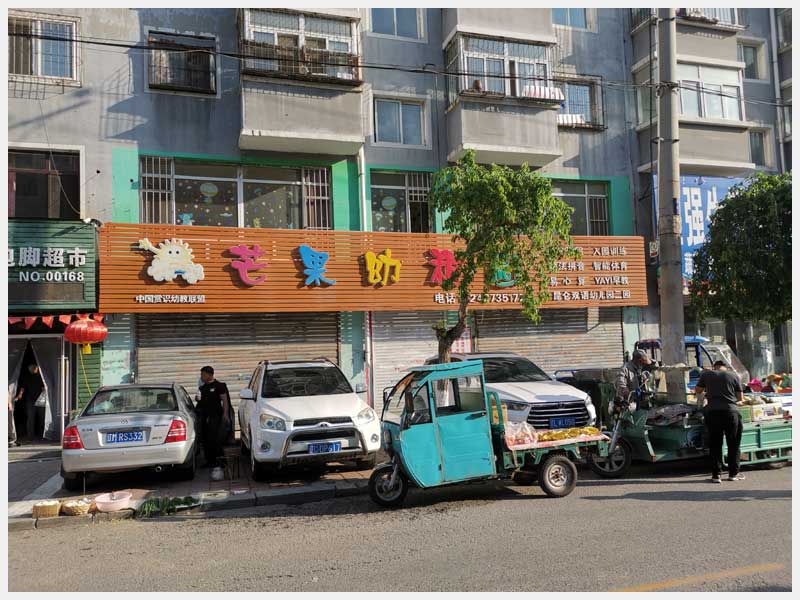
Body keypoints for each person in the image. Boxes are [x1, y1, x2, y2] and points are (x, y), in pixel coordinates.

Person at [695, 360, 745, 483]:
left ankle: (716, 475)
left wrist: (709, 393)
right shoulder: (734, 375)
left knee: (715, 444)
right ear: (725, 367)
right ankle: (733, 474)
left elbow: (698, 390)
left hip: (713, 413)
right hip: (730, 412)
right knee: (733, 444)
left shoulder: (706, 374)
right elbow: (740, 398)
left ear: (714, 367)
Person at [196, 366, 231, 469]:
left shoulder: (219, 386)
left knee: (215, 439)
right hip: (204, 416)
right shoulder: (202, 388)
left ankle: (221, 461)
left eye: (203, 374)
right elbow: (200, 401)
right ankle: (209, 461)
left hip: (216, 416)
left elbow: (225, 401)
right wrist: (197, 399)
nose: (201, 376)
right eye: (201, 374)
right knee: (205, 440)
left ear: (210, 375)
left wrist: (225, 414)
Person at [15, 364, 44, 442]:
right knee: (30, 418)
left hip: (41, 400)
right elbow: (23, 387)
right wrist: (20, 394)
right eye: (31, 368)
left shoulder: (41, 377)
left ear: (37, 368)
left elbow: (44, 387)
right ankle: (30, 436)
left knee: (42, 418)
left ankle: (42, 435)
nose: (32, 369)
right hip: (30, 400)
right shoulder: (27, 377)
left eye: (34, 368)